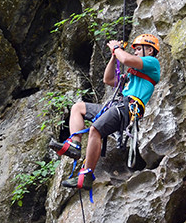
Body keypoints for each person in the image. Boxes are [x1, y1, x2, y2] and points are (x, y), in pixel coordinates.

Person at [49, 34, 161, 189]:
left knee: (95, 130)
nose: (134, 52)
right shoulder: (133, 74)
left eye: (138, 49)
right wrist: (114, 56)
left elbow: (127, 59)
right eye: (134, 50)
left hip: (128, 108)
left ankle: (86, 175)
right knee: (78, 108)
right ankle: (74, 145)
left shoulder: (153, 63)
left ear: (149, 50)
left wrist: (117, 48)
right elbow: (108, 80)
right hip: (117, 105)